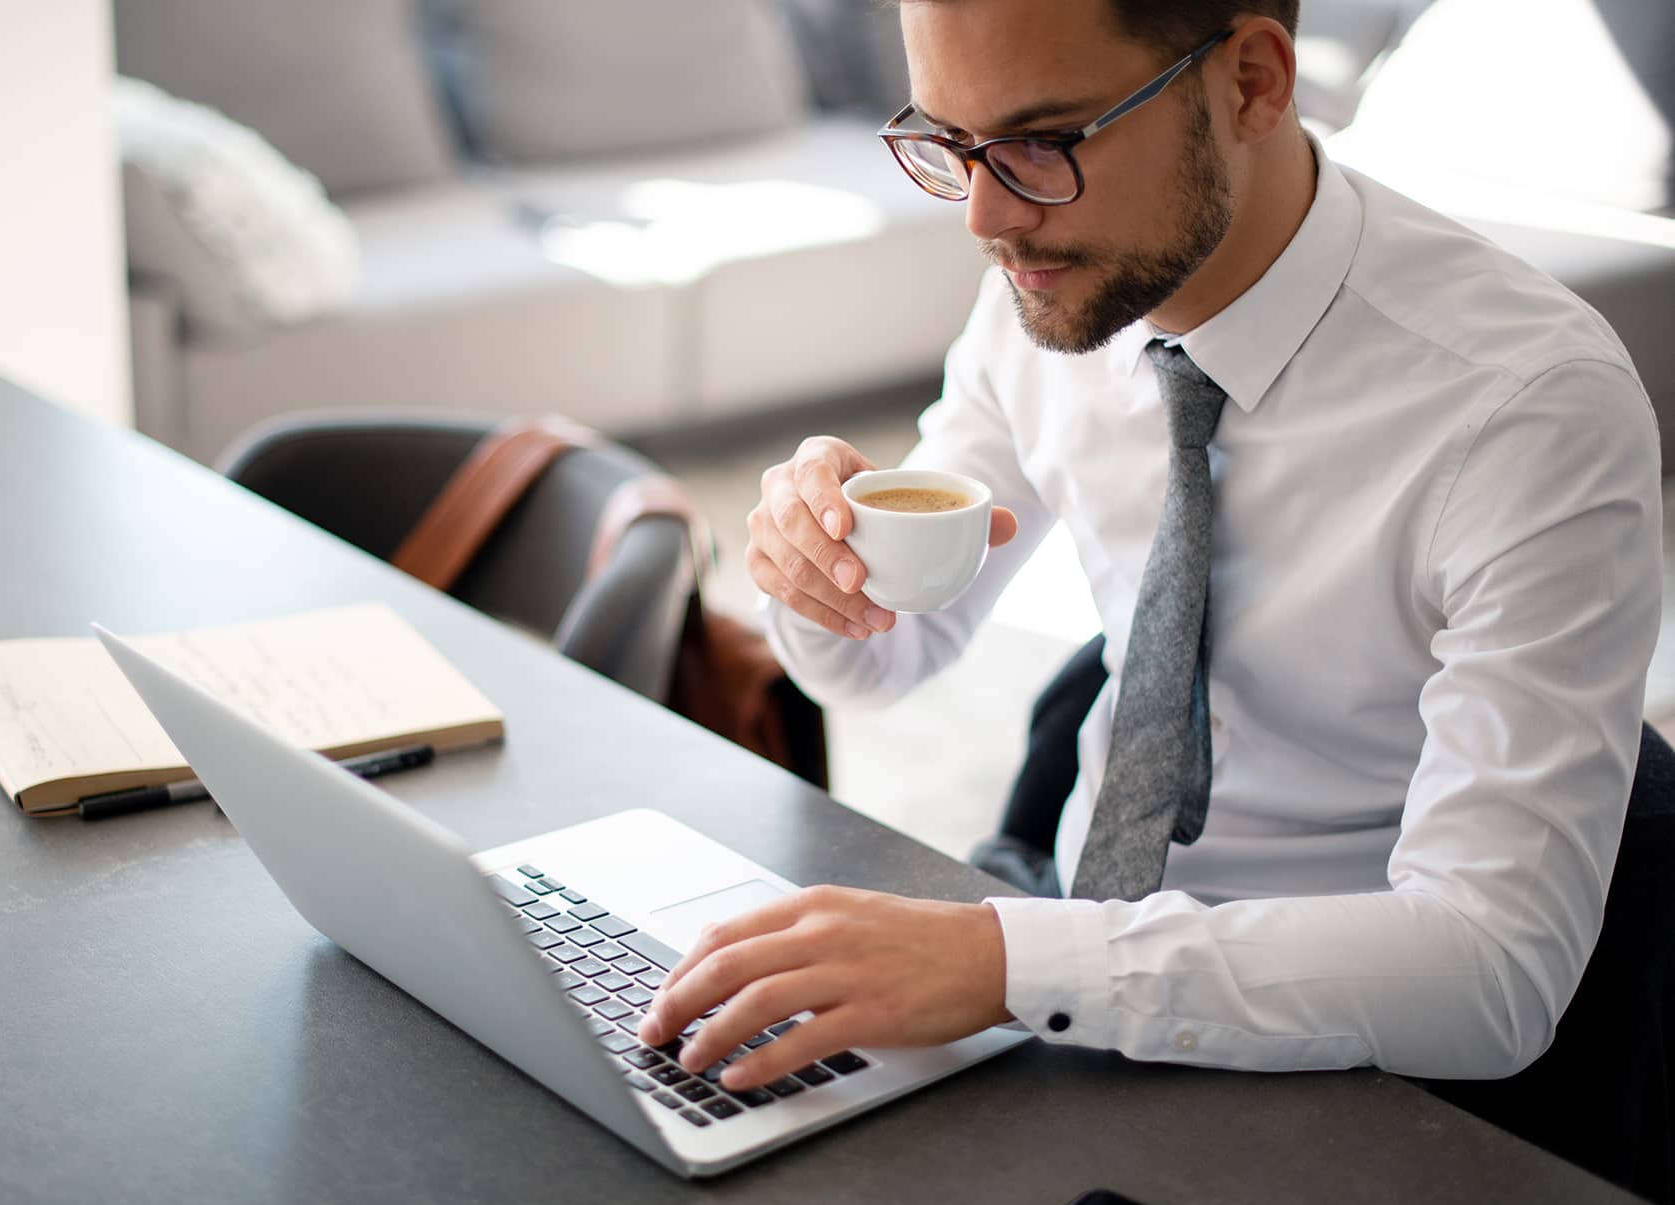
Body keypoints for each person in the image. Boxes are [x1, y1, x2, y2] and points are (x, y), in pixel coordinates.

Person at [635, 0, 1661, 1100]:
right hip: (1061, 930)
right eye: (951, 142)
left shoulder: (1528, 408)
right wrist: (820, 562)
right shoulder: (1049, 284)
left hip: (1354, 1050)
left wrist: (1007, 964)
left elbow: (1492, 972)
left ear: (1253, 81)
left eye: (1044, 141)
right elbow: (882, 659)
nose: (986, 217)